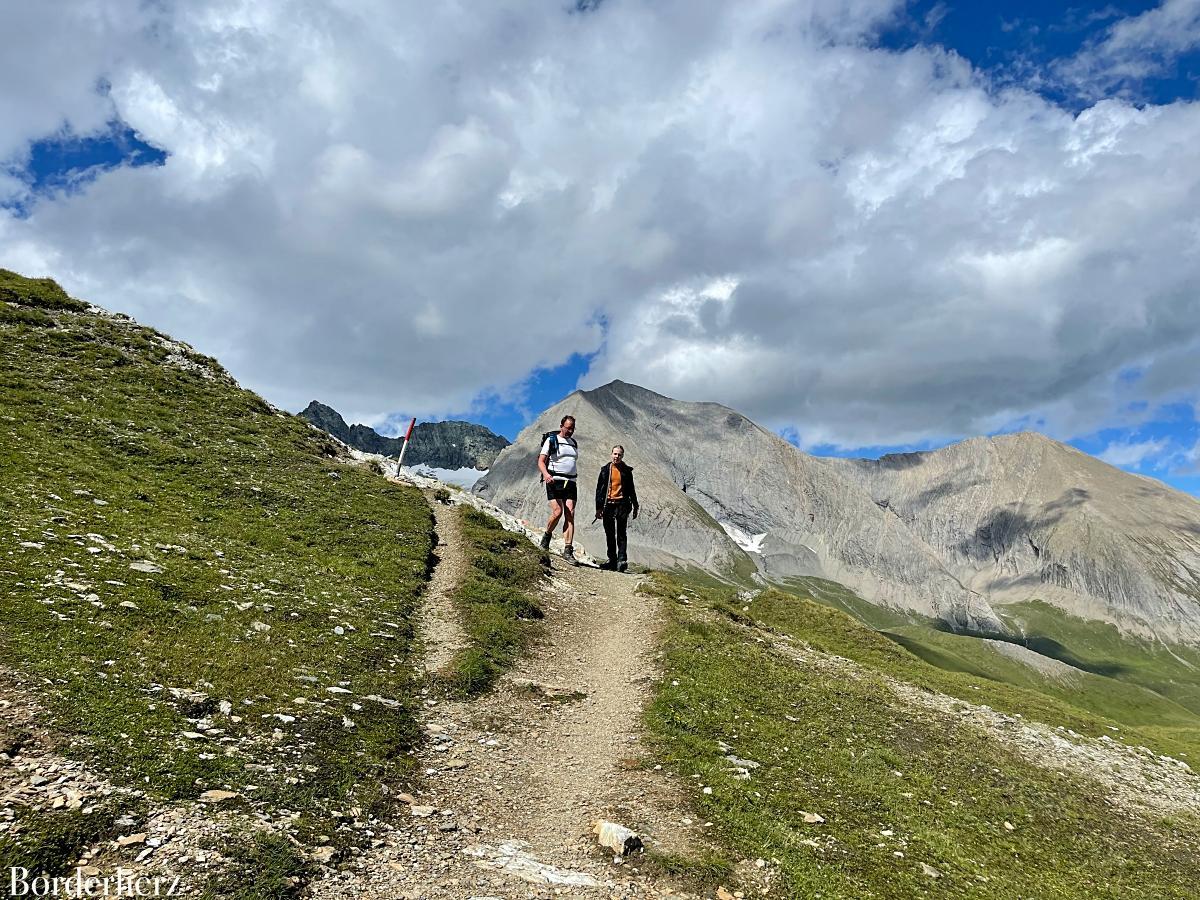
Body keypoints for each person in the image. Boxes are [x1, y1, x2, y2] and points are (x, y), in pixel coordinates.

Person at [538, 415, 579, 564]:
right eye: (567, 428)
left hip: (571, 481)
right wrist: (546, 474)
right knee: (557, 512)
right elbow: (541, 461)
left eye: (572, 429)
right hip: (554, 481)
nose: (570, 431)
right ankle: (546, 537)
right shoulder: (552, 440)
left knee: (570, 513)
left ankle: (568, 550)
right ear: (561, 426)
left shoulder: (573, 443)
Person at [594, 445, 639, 572]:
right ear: (611, 454)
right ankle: (612, 560)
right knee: (609, 533)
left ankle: (622, 560)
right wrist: (598, 508)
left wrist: (635, 506)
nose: (616, 456)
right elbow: (599, 490)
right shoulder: (605, 470)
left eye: (619, 454)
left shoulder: (626, 471)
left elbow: (631, 490)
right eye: (615, 454)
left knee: (621, 533)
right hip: (608, 505)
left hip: (622, 505)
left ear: (622, 456)